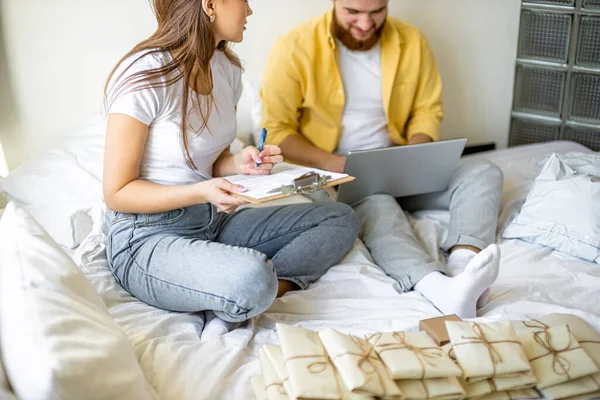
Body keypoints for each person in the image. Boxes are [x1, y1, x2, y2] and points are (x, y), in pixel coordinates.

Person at [102, 0, 360, 334]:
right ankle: (245, 289)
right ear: (210, 4)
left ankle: (261, 290)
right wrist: (200, 192)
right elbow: (117, 193)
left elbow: (213, 162)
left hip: (211, 222)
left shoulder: (227, 68)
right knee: (251, 277)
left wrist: (241, 162)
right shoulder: (145, 73)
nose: (250, 11)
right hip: (146, 237)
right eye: (244, 1)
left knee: (340, 218)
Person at [260, 0, 504, 318]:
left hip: (400, 160)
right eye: (353, 12)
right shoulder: (295, 46)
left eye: (376, 12)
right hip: (336, 169)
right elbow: (277, 130)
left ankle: (465, 266)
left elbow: (427, 111)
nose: (365, 23)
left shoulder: (411, 41)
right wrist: (334, 163)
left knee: (483, 171)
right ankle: (437, 288)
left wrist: (416, 153)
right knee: (379, 207)